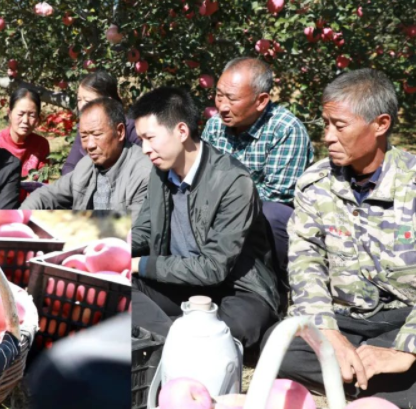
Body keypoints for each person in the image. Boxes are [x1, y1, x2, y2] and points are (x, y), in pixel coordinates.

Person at [263, 69, 416, 408]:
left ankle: (362, 378)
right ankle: (382, 384)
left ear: (381, 124)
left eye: (340, 125)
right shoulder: (315, 184)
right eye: (326, 124)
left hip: (406, 317)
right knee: (281, 347)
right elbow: (306, 263)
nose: (328, 136)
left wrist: (405, 349)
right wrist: (329, 334)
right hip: (348, 318)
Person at [129, 87, 279, 352]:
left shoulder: (233, 182)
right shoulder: (161, 171)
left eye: (150, 138)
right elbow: (144, 229)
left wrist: (142, 264)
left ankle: (168, 338)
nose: (144, 149)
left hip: (234, 289)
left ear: (181, 131)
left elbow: (213, 267)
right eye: (141, 139)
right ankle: (178, 339)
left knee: (238, 327)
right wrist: (115, 246)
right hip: (180, 281)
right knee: (118, 285)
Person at [202, 58, 314, 294]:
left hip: (265, 210)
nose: (222, 106)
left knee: (271, 215)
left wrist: (227, 202)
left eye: (232, 99)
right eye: (219, 96)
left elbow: (278, 193)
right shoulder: (214, 126)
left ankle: (278, 284)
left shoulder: (285, 129)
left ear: (261, 101)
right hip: (222, 204)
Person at [21, 97, 150, 219]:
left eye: (97, 134)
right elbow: (45, 195)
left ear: (120, 132)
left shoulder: (143, 173)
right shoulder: (85, 165)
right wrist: (22, 217)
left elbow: (136, 227)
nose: (90, 145)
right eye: (84, 137)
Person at [61, 71, 141, 175]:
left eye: (88, 101)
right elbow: (70, 167)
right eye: (79, 100)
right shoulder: (85, 130)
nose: (81, 106)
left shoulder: (132, 130)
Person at [0, 87, 50, 180]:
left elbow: (42, 181)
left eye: (32, 115)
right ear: (9, 114)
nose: (25, 121)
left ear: (38, 118)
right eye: (20, 114)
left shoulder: (41, 145)